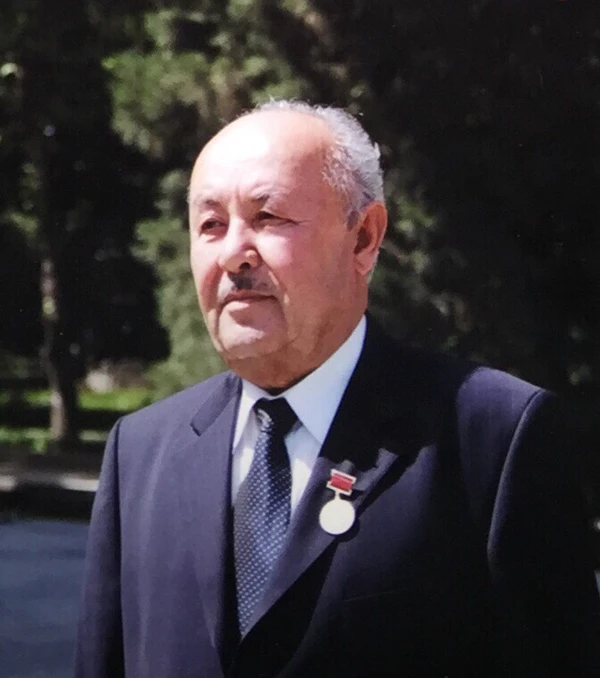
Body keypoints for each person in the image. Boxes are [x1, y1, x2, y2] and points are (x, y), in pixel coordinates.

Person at [75, 100, 600, 677]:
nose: (233, 254)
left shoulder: (490, 439)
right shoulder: (141, 452)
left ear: (364, 238)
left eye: (268, 217)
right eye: (211, 225)